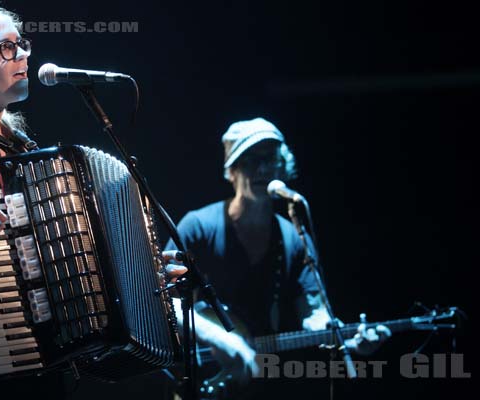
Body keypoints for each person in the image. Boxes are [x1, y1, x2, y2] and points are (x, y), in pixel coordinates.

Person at [0, 1, 185, 399]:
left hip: (44, 349)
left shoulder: (17, 145)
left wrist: (140, 273)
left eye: (22, 43)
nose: (23, 54)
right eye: (5, 48)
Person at [165, 117, 391, 398]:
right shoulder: (197, 226)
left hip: (265, 381)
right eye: (250, 160)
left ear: (283, 165)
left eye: (270, 158)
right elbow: (168, 302)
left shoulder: (295, 236)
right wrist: (219, 338)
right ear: (232, 171)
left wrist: (349, 340)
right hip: (199, 376)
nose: (262, 169)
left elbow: (313, 312)